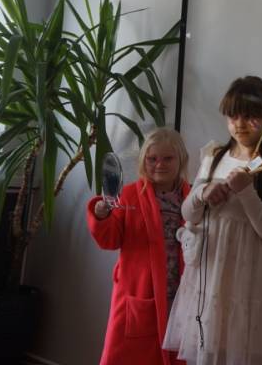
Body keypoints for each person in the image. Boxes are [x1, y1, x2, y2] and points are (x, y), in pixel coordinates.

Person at [163, 76, 262, 365]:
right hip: (208, 277)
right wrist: (202, 194)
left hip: (248, 280)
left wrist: (246, 192)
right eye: (233, 116)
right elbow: (188, 214)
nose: (240, 124)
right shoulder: (213, 157)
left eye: (249, 116)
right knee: (207, 350)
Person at [87, 128, 192, 365]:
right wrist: (101, 216)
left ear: (181, 159)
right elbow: (110, 240)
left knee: (176, 354)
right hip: (139, 292)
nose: (159, 164)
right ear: (143, 160)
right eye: (152, 159)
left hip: (180, 292)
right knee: (128, 355)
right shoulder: (129, 195)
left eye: (168, 158)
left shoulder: (193, 197)